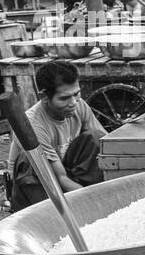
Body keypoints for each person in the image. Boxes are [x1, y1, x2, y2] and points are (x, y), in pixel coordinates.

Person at [6, 60, 106, 211]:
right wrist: (93, 203)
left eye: (76, 94)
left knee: (96, 137)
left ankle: (82, 202)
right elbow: (60, 178)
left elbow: (106, 145)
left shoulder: (79, 106)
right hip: (38, 186)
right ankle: (58, 214)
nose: (73, 102)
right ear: (44, 97)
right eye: (64, 98)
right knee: (29, 160)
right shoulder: (32, 125)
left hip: (64, 172)